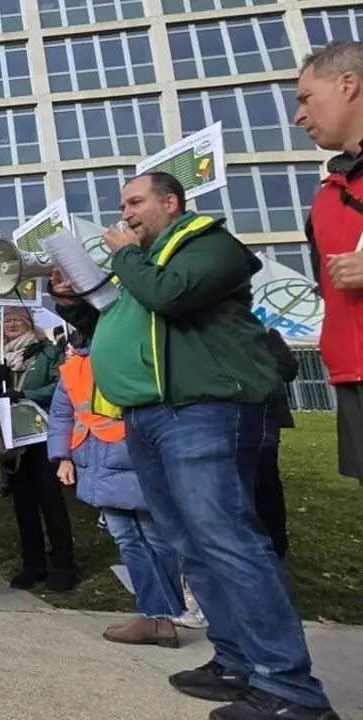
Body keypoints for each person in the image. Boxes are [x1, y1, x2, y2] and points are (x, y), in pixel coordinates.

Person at [53, 171, 337, 719]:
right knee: (191, 543)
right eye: (122, 205)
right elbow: (115, 318)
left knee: (227, 539)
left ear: (170, 202)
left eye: (135, 202)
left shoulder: (208, 245)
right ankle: (235, 660)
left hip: (202, 410)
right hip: (150, 414)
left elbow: (171, 297)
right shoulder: (146, 265)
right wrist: (72, 300)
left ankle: (290, 688)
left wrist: (124, 257)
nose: (125, 214)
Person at [47, 330, 184, 647]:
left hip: (119, 455)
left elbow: (61, 414)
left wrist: (63, 457)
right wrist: (63, 457)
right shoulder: (86, 364)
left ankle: (156, 616)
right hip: (116, 457)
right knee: (147, 539)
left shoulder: (81, 365)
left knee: (138, 539)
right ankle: (159, 616)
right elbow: (63, 414)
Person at [296, 41, 363, 490]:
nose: (298, 116)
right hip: (351, 375)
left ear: (348, 84)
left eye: (306, 98)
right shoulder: (327, 195)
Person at [0, 306, 73, 591]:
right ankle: (33, 564)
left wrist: (25, 394)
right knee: (23, 504)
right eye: (6, 320)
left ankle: (63, 564)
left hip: (42, 435)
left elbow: (60, 387)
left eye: (17, 319)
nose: (11, 324)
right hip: (11, 439)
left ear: (30, 323)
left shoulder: (47, 352)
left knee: (51, 500)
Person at [257, 329, 298, 560]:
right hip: (232, 416)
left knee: (265, 477)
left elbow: (288, 368)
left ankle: (275, 543)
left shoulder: (265, 333)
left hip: (264, 415)